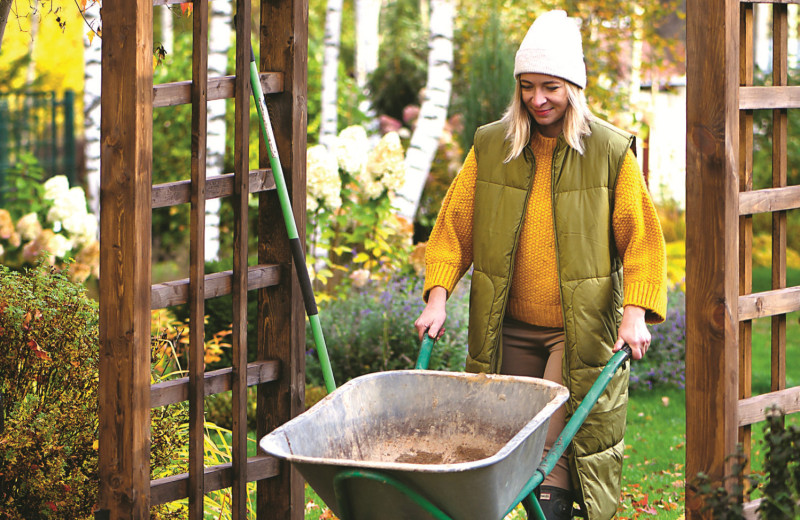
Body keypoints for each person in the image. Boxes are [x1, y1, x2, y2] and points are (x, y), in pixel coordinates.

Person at [414, 9, 667, 520]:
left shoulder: (609, 152)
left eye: (550, 86)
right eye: (527, 87)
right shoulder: (493, 145)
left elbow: (643, 240)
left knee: (544, 456)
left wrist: (635, 312)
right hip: (506, 328)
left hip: (573, 334)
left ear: (573, 86)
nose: (537, 99)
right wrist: (438, 297)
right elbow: (453, 228)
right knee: (503, 451)